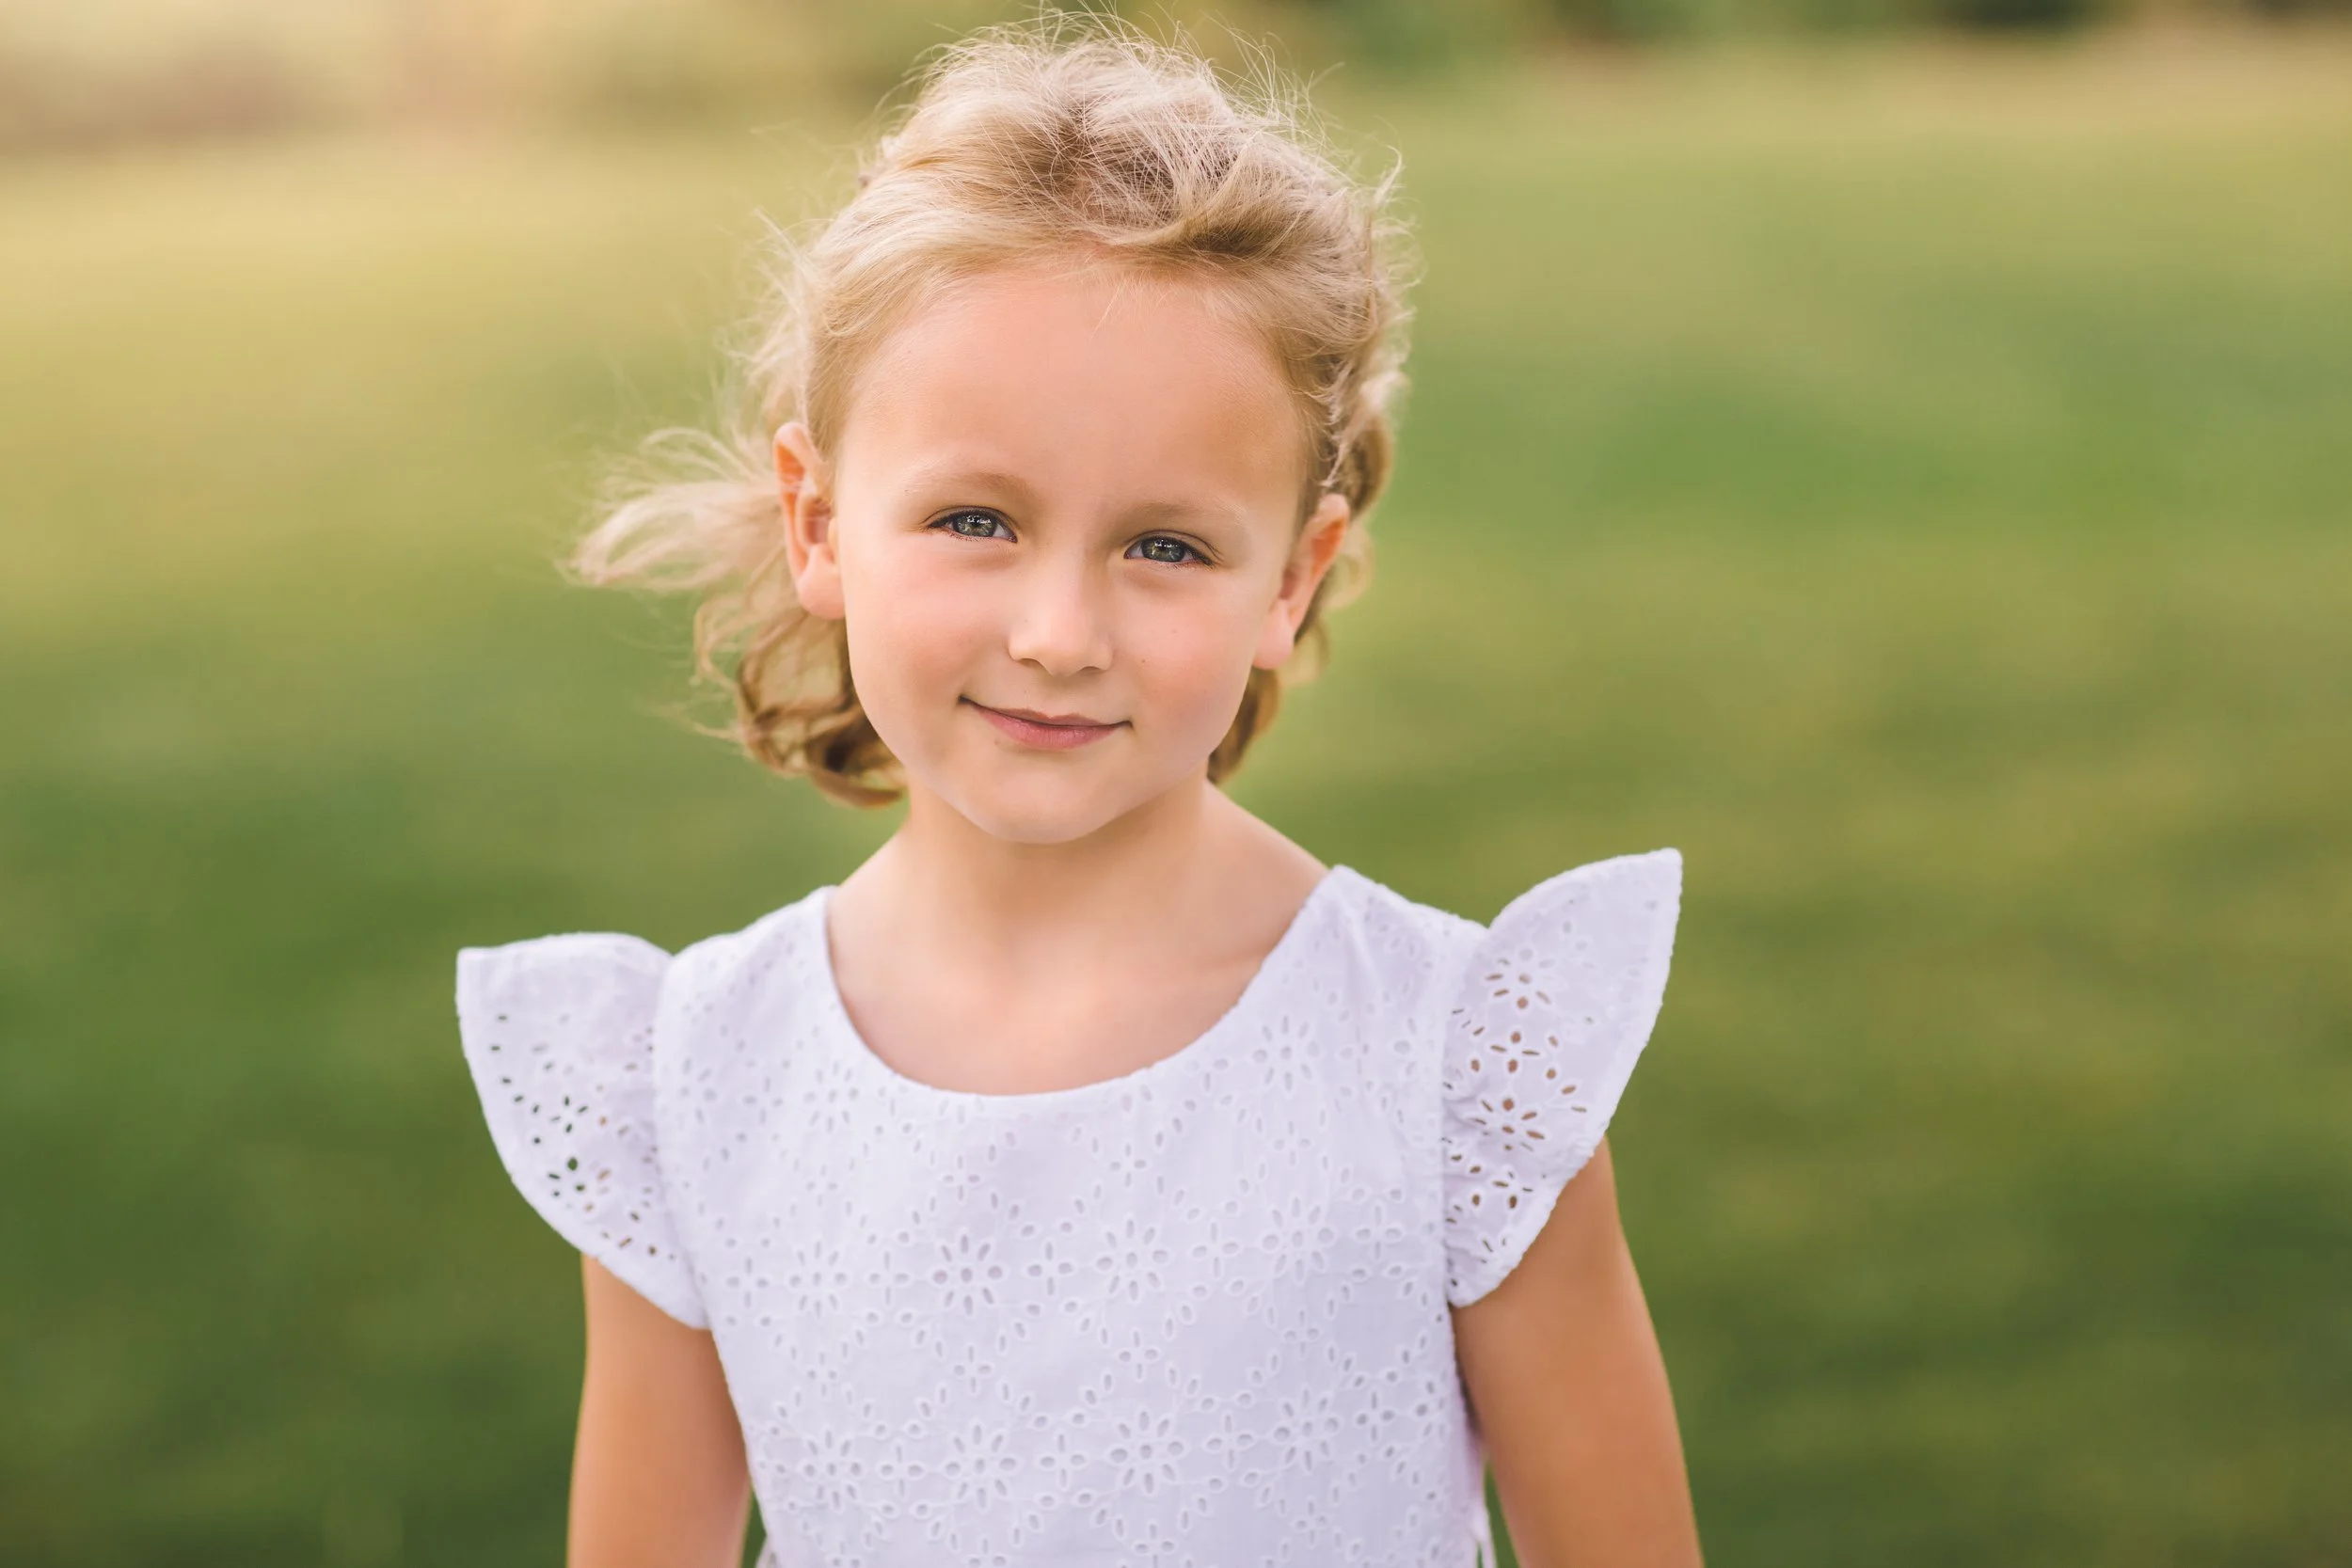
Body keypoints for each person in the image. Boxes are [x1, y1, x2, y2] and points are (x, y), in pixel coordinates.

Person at [455, 19, 1701, 1568]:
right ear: (819, 518)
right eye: (977, 517)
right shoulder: (697, 1079)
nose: (1058, 631)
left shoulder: (1453, 1058)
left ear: (1290, 583)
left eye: (1165, 545)